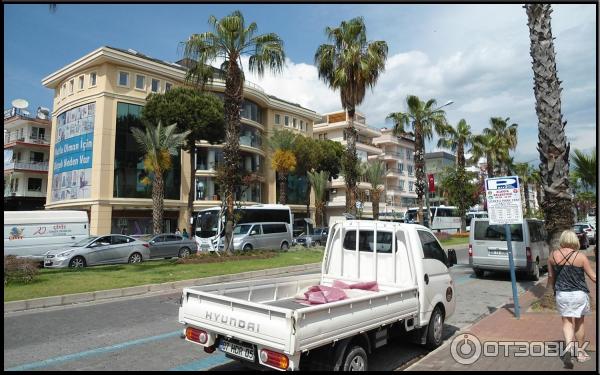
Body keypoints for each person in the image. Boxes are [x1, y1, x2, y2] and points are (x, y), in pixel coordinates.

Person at [547, 230, 596, 367]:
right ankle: (580, 353)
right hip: (579, 294)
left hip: (562, 294)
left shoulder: (552, 256)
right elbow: (593, 277)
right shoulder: (580, 257)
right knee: (579, 322)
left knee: (567, 322)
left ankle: (568, 348)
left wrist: (552, 290)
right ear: (575, 240)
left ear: (562, 240)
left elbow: (551, 277)